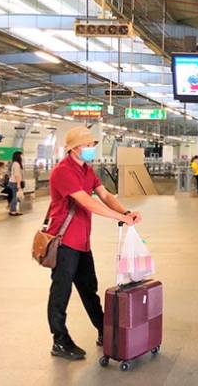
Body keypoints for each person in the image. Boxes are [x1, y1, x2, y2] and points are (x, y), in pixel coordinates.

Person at [47, 126, 141, 361]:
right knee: (61, 292)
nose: (91, 148)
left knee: (89, 289)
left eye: (92, 145)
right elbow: (87, 203)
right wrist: (120, 218)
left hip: (82, 243)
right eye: (88, 145)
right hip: (64, 242)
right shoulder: (63, 171)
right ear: (74, 148)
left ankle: (104, 330)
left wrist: (126, 212)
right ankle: (60, 340)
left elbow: (105, 195)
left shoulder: (87, 170)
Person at [8, 151, 24, 216]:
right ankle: (13, 211)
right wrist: (18, 184)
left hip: (12, 182)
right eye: (21, 155)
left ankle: (12, 210)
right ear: (18, 156)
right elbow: (17, 175)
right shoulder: (16, 164)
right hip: (14, 183)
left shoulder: (14, 163)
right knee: (14, 197)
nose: (22, 157)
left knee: (14, 197)